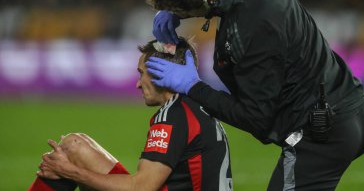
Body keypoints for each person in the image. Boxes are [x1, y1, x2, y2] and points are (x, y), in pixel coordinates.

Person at [144, 0, 364, 191]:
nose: (186, 17)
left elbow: (256, 117)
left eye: (187, 12)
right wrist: (174, 8)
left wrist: (193, 86)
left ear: (208, 1)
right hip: (352, 106)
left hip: (323, 133)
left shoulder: (255, 29)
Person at [29, 37, 233, 191]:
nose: (137, 83)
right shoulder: (196, 106)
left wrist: (69, 171)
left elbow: (141, 188)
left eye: (141, 73)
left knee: (70, 153)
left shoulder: (174, 116)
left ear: (160, 74)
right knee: (75, 146)